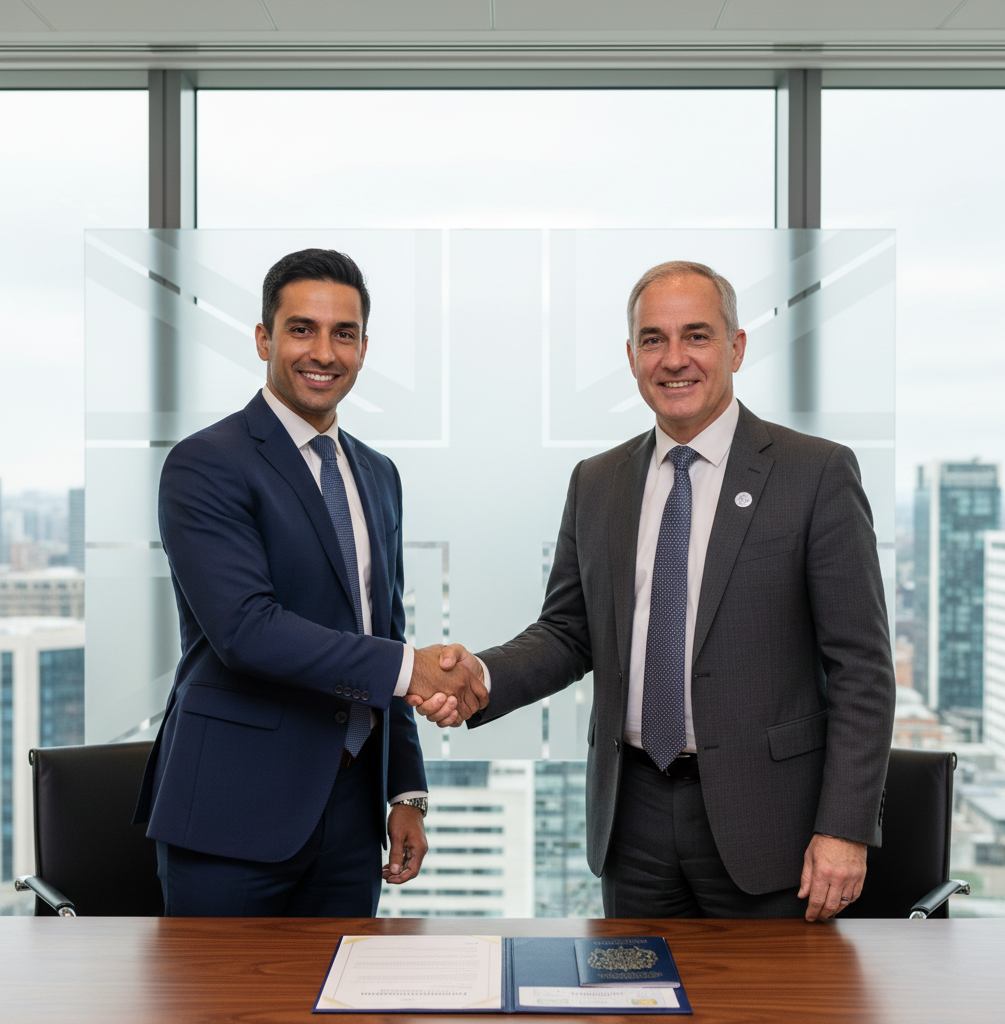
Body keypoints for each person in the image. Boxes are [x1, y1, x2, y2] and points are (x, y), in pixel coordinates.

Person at [412, 261, 896, 922]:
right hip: (631, 817)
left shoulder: (816, 473)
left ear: (736, 346)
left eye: (696, 336)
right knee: (632, 1000)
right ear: (632, 356)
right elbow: (568, 631)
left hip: (770, 823)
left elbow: (862, 671)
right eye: (653, 340)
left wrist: (844, 828)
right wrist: (481, 676)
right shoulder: (598, 481)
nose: (674, 360)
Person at [133, 248, 486, 916]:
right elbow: (247, 630)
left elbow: (385, 634)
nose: (323, 351)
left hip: (351, 817)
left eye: (343, 334)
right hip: (231, 813)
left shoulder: (377, 473)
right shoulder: (206, 464)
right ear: (265, 338)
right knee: (222, 1009)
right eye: (302, 329)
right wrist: (414, 670)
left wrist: (404, 792)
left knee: (345, 1007)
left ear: (362, 347)